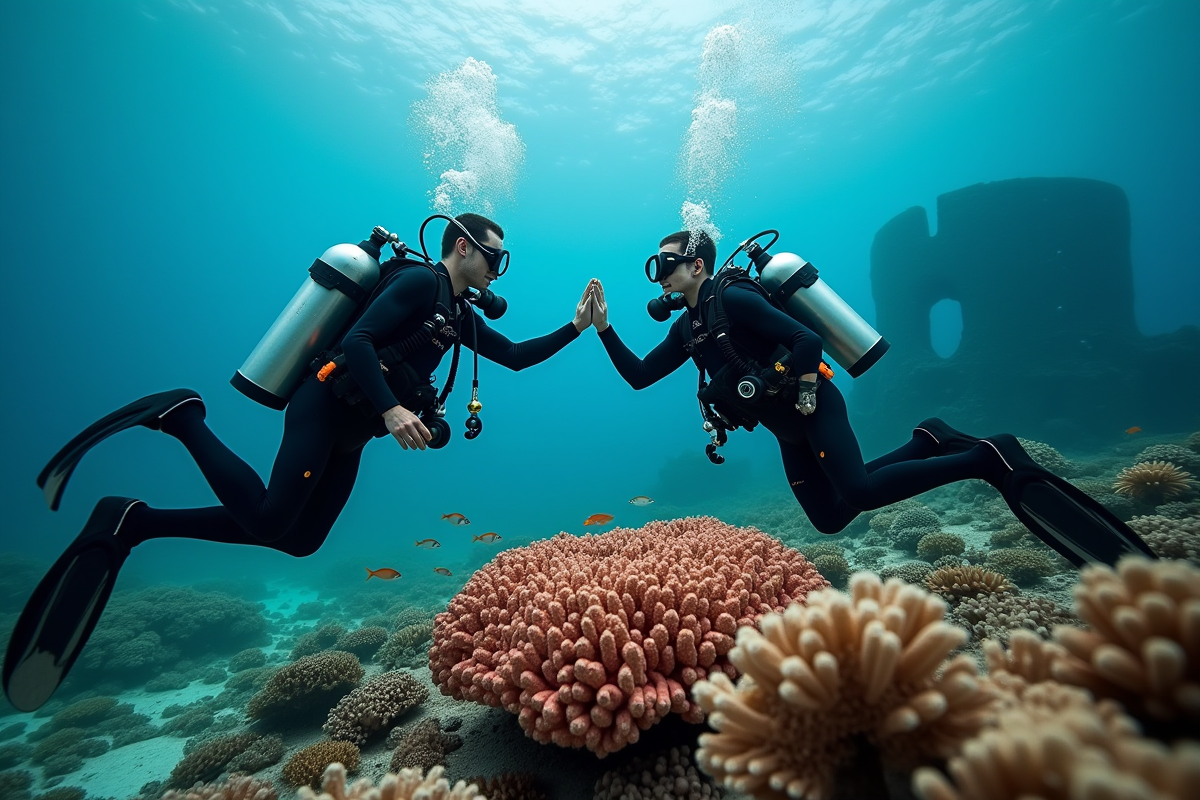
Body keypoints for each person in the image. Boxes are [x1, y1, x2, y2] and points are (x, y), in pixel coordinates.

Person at [4, 213, 594, 712]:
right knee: (267, 520)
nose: (498, 269)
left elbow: (514, 356)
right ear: (462, 246)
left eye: (503, 261)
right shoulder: (418, 281)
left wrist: (577, 326)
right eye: (496, 256)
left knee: (301, 539)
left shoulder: (458, 315)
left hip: (352, 435)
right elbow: (359, 341)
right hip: (324, 407)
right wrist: (391, 411)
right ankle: (183, 416)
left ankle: (136, 521)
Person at [581, 229, 1154, 563]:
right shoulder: (688, 328)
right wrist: (604, 330)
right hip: (787, 430)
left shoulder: (733, 300)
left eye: (667, 263)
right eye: (656, 265)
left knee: (857, 487)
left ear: (697, 265)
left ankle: (986, 457)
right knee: (830, 517)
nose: (659, 273)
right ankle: (928, 439)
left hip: (813, 407)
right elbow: (638, 376)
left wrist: (803, 390)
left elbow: (805, 338)